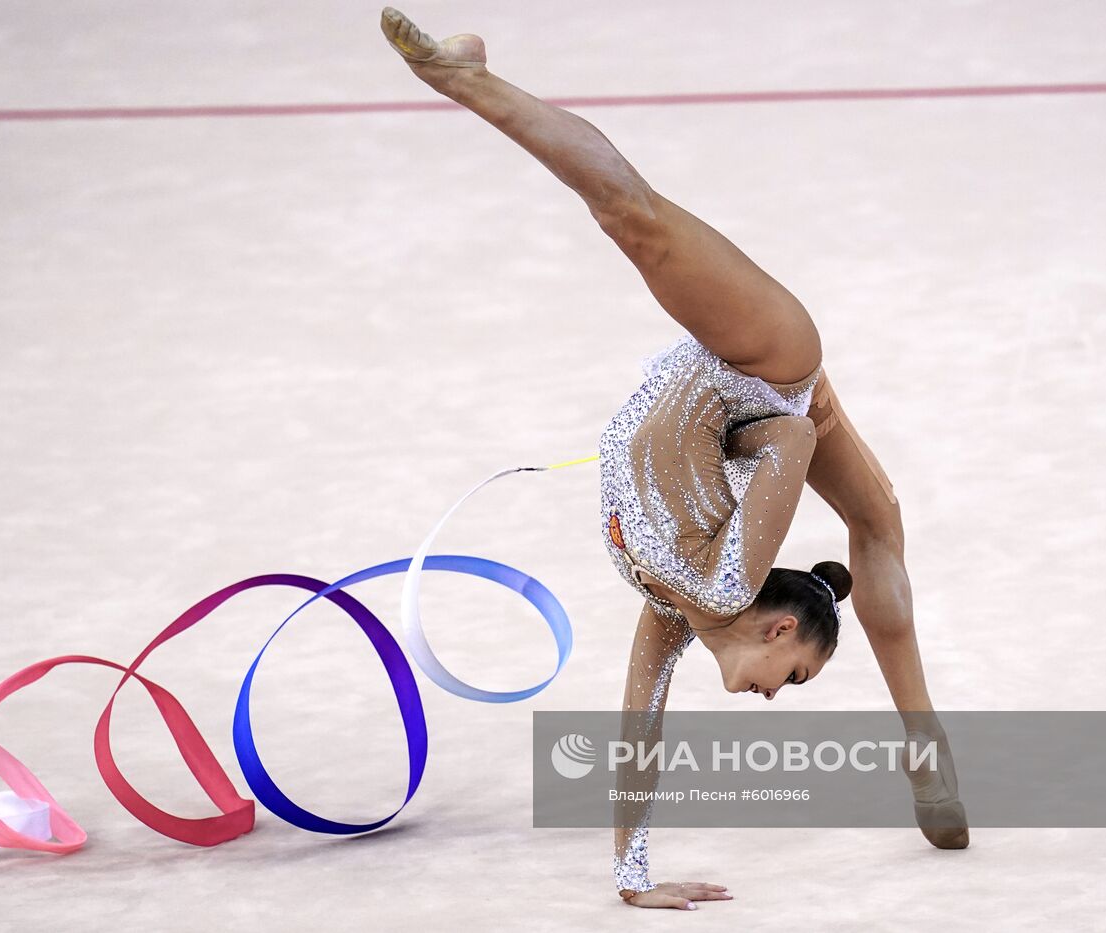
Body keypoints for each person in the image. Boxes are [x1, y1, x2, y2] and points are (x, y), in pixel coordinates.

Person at [379, 7, 969, 910]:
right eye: (798, 674)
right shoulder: (726, 585)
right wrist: (743, 431)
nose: (782, 694)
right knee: (634, 217)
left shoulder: (675, 604)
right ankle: (462, 76)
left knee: (880, 521)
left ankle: (926, 751)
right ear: (779, 629)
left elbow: (638, 730)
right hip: (761, 362)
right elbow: (794, 433)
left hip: (755, 383)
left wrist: (632, 879)